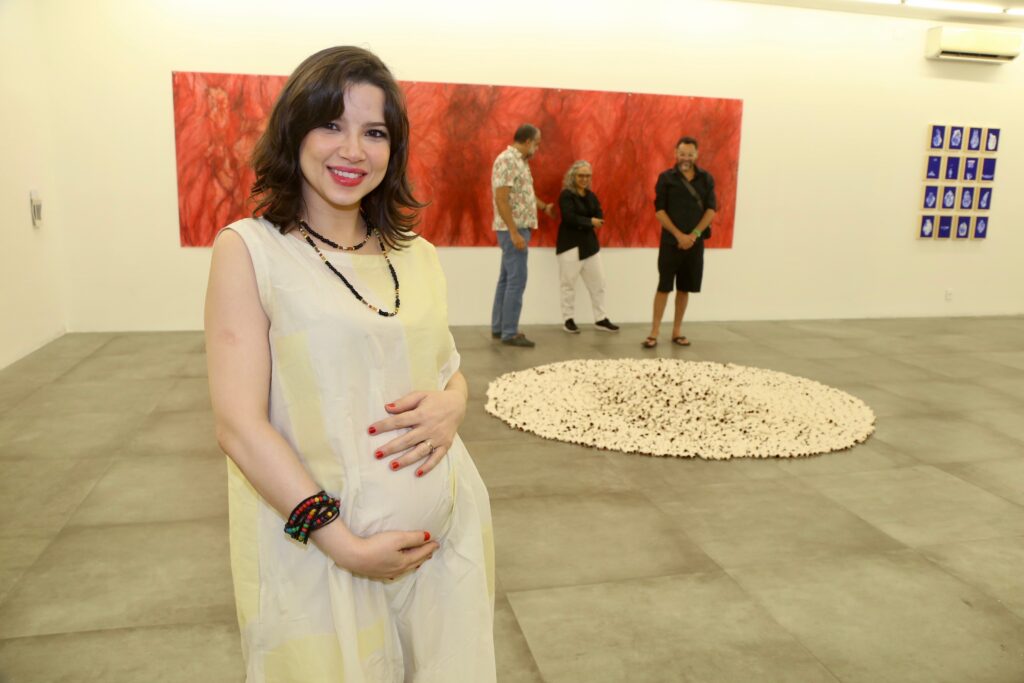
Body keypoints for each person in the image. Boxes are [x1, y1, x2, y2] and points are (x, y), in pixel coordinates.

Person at [204, 46, 495, 682]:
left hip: (444, 554)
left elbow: (445, 368)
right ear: (295, 130)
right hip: (320, 558)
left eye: (374, 132)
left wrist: (456, 402)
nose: (353, 150)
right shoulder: (251, 252)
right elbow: (239, 427)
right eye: (331, 124)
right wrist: (346, 546)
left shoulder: (416, 254)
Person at [642, 136, 717, 348]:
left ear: (697, 155)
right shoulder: (666, 178)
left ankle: (677, 332)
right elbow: (659, 211)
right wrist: (679, 235)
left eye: (690, 154)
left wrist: (693, 235)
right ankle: (654, 332)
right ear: (675, 153)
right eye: (682, 153)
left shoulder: (706, 179)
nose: (686, 158)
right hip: (670, 242)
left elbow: (711, 210)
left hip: (695, 243)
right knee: (664, 286)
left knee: (684, 288)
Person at [490, 123, 555, 347]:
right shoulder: (508, 160)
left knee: (506, 280)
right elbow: (501, 198)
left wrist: (544, 207)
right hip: (514, 230)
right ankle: (510, 332)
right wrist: (514, 231)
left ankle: (500, 327)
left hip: (516, 228)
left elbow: (523, 194)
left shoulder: (520, 162)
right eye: (537, 143)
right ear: (527, 141)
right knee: (517, 281)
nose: (537, 148)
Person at [556, 160, 619, 333]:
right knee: (568, 285)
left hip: (590, 246)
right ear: (573, 176)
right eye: (581, 175)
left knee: (599, 284)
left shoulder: (591, 196)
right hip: (570, 246)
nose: (584, 179)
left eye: (587, 176)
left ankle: (600, 319)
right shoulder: (566, 195)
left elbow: (599, 213)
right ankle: (568, 319)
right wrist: (590, 221)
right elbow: (569, 217)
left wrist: (589, 220)